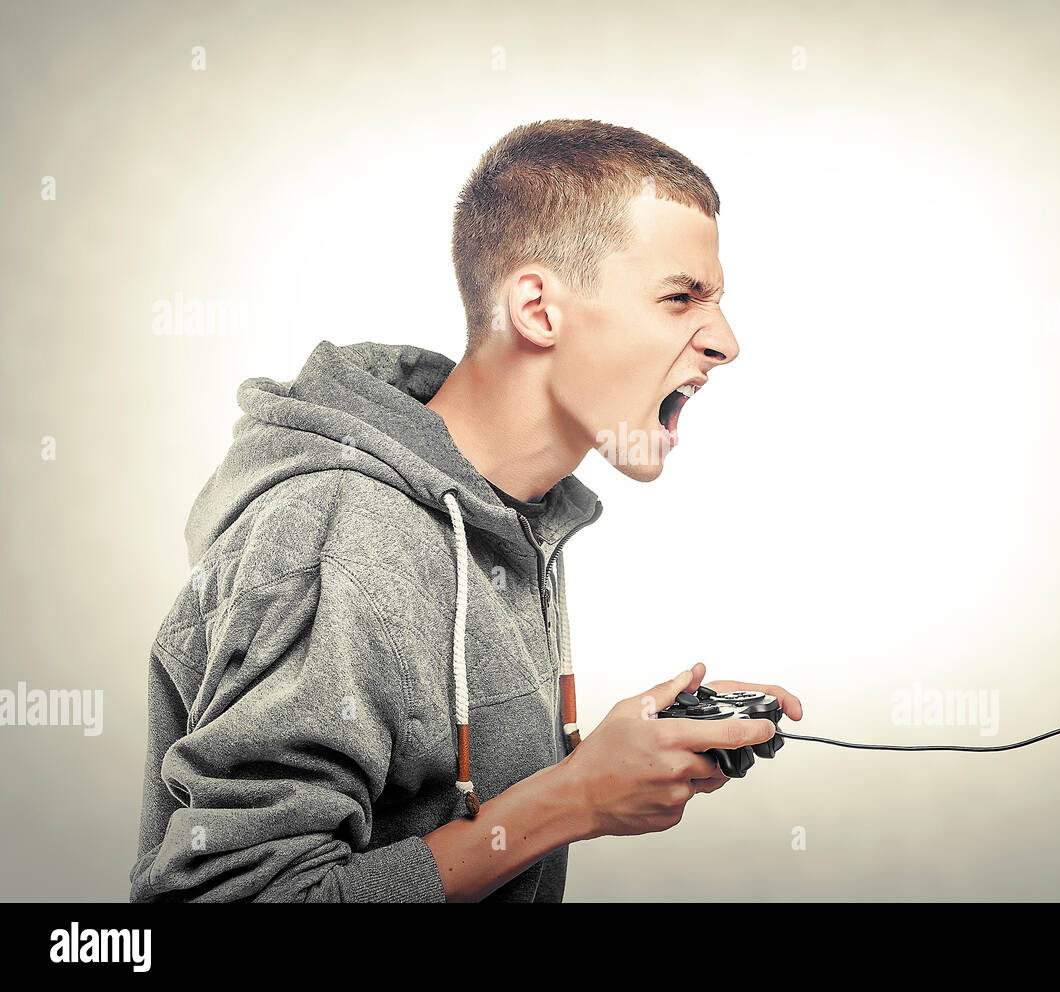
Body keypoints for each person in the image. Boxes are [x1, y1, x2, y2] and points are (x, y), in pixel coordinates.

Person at [129, 119, 802, 903]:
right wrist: (571, 800)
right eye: (681, 297)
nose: (725, 340)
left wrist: (610, 766)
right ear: (540, 311)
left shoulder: (510, 521)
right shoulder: (341, 538)